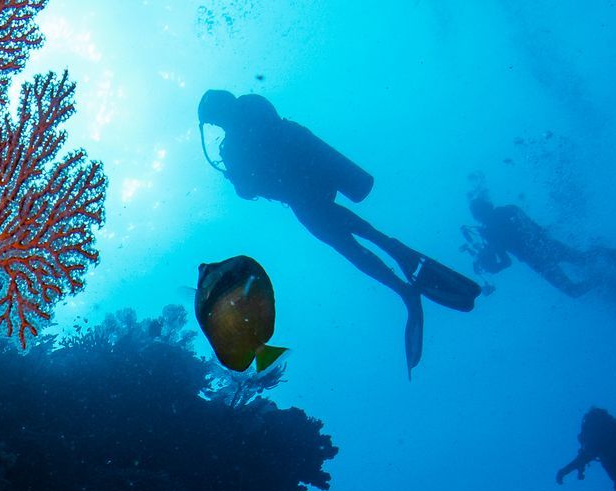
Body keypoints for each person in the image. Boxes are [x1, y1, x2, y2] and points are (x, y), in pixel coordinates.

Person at [198, 90, 481, 373]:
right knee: (353, 239)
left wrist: (236, 171)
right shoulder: (251, 110)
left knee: (348, 247)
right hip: (313, 183)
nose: (217, 127)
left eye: (214, 121)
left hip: (302, 195)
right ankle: (399, 261)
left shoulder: (237, 138)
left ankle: (404, 288)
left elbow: (248, 189)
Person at [465, 190, 616, 310]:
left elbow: (505, 262)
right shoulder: (510, 210)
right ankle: (606, 254)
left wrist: (489, 265)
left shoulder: (489, 232)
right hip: (547, 246)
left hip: (538, 261)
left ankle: (601, 278)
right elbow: (537, 229)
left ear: (478, 216)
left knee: (573, 290)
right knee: (584, 259)